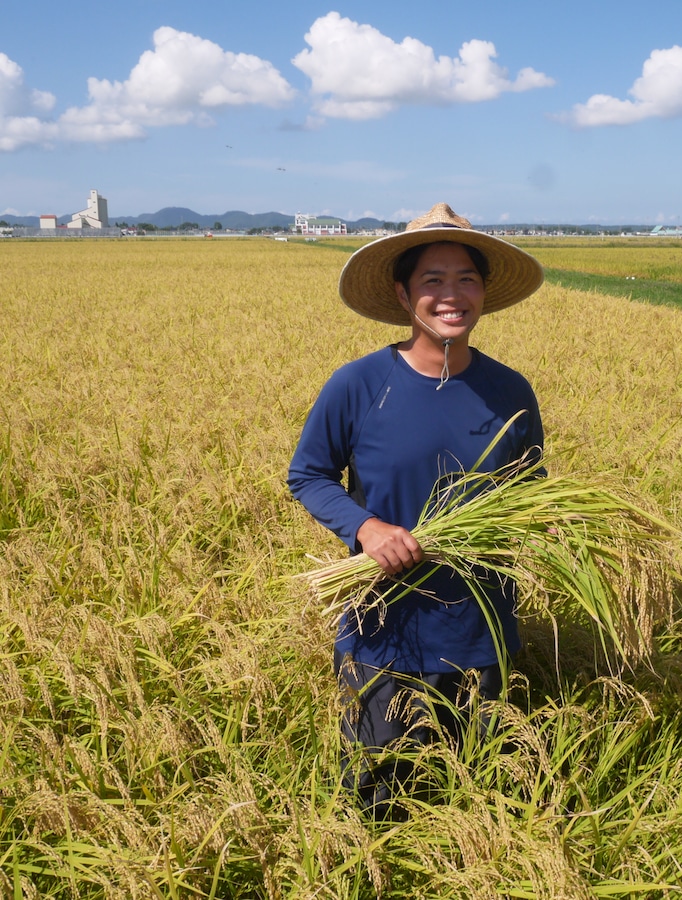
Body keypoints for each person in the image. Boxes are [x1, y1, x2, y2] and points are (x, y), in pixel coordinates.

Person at [287, 202, 544, 818]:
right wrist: (366, 527)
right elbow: (309, 475)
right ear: (404, 295)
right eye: (433, 280)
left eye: (466, 279)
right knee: (379, 807)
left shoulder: (511, 391)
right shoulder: (357, 384)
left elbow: (531, 491)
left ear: (484, 293)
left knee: (480, 804)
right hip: (385, 634)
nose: (451, 295)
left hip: (482, 636)